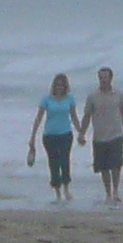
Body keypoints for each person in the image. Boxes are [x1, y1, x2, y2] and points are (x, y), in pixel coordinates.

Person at [79, 66, 123, 205]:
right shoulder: (92, 96)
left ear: (111, 78)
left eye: (105, 77)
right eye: (100, 77)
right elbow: (87, 116)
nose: (103, 80)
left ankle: (116, 191)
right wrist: (81, 133)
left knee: (116, 165)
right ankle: (108, 193)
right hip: (99, 136)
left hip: (116, 134)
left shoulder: (119, 94)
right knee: (103, 167)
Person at [27, 73, 79, 202]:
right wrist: (32, 137)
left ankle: (66, 188)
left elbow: (74, 117)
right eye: (57, 85)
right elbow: (38, 118)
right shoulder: (47, 99)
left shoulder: (70, 99)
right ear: (54, 86)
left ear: (65, 86)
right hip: (50, 135)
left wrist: (81, 132)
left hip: (66, 134)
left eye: (62, 85)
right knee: (54, 163)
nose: (59, 87)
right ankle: (57, 192)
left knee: (65, 161)